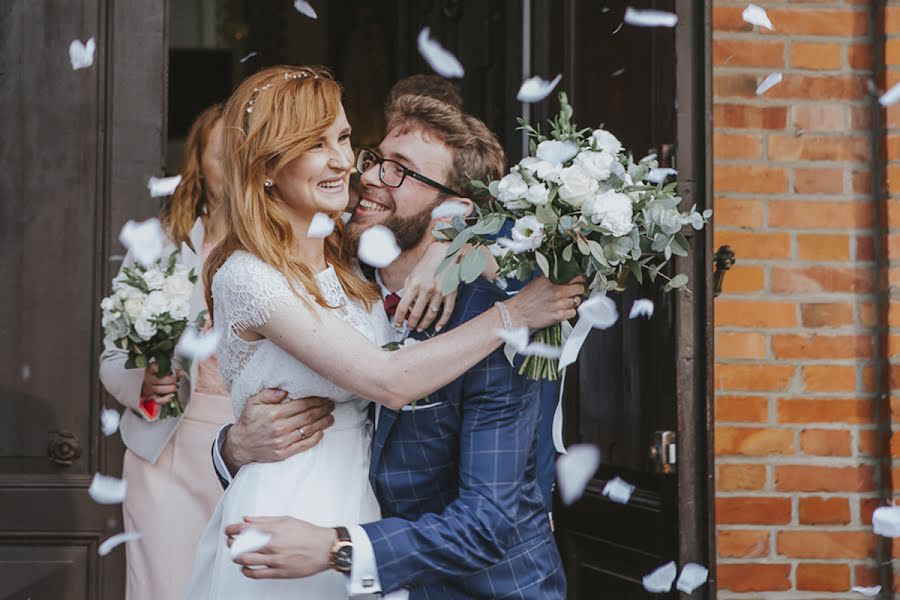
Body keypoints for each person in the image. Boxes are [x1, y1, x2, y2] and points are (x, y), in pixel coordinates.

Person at [185, 66, 579, 599]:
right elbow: (381, 379)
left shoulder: (487, 309)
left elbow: (546, 254)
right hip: (299, 535)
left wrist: (453, 245)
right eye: (376, 160)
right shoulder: (319, 267)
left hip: (470, 583)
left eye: (400, 171)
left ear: (457, 208)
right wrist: (232, 447)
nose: (361, 172)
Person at [99, 104, 330, 600]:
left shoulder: (297, 244)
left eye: (246, 155)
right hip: (168, 449)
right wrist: (143, 385)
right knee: (165, 587)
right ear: (197, 164)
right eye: (222, 156)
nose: (235, 168)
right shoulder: (162, 245)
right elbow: (113, 356)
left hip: (265, 447)